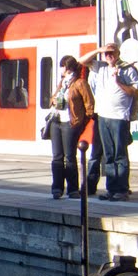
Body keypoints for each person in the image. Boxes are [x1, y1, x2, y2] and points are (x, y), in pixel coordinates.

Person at [79, 43, 138, 201]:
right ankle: (112, 189)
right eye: (106, 53)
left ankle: (122, 189)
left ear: (118, 53)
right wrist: (99, 50)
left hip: (120, 117)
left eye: (111, 53)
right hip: (103, 115)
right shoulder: (100, 67)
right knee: (109, 155)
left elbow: (134, 91)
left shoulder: (128, 70)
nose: (109, 56)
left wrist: (118, 81)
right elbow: (82, 61)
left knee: (120, 154)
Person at [46, 55, 95, 199]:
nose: (60, 69)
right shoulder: (62, 83)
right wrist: (53, 100)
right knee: (57, 156)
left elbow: (89, 104)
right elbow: (52, 99)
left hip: (70, 122)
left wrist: (81, 123)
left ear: (67, 68)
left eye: (62, 66)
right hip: (56, 121)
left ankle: (73, 189)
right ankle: (57, 188)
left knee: (70, 157)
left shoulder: (80, 83)